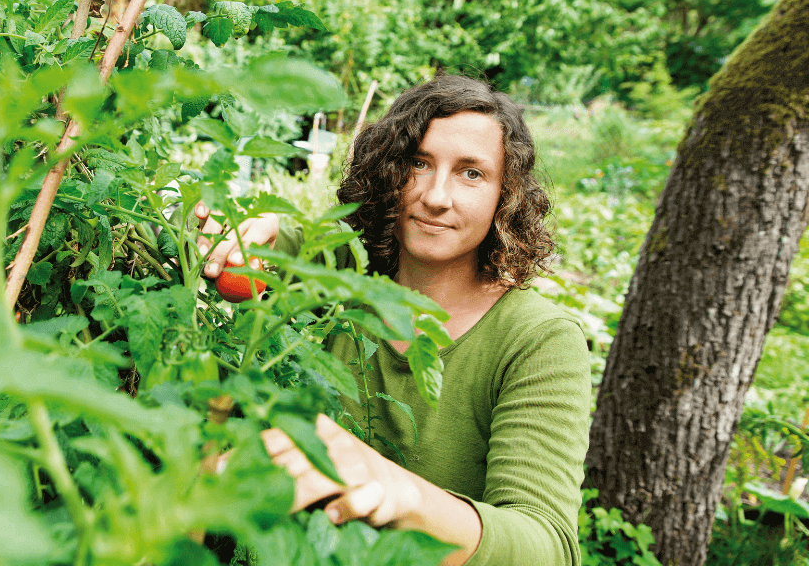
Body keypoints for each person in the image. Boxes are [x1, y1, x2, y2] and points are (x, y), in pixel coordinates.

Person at [195, 75, 591, 566]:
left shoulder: (537, 339)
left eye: (472, 174)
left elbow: (547, 547)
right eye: (419, 164)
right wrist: (247, 234)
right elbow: (287, 246)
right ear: (388, 171)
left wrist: (398, 491)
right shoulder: (345, 278)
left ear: (504, 195)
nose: (436, 196)